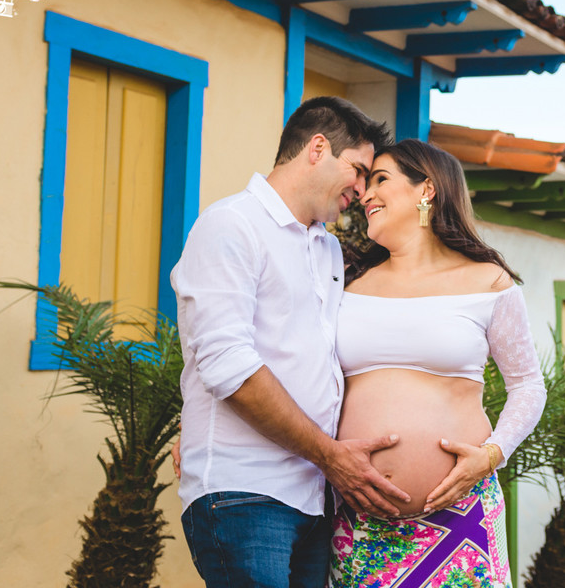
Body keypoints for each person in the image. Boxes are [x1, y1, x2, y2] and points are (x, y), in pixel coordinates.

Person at [172, 96, 410, 588]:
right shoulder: (231, 225)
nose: (363, 191)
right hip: (245, 492)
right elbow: (227, 364)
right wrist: (329, 454)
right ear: (318, 148)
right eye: (360, 171)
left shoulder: (325, 246)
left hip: (312, 498)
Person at [330, 139, 546, 587]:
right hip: (361, 523)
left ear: (426, 189)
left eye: (381, 180)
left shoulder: (487, 281)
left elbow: (528, 385)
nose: (365, 194)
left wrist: (491, 455)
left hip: (461, 521)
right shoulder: (345, 283)